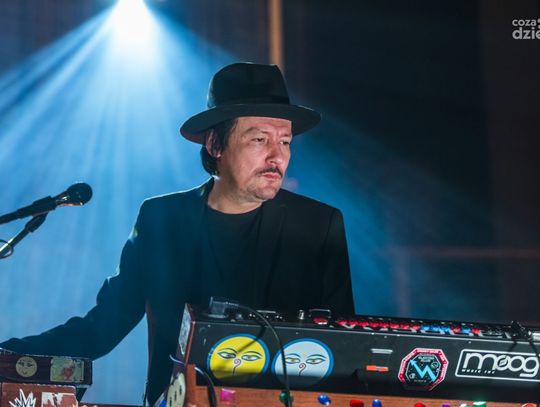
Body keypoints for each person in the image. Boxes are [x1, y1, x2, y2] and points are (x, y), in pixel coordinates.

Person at [0, 62, 354, 404]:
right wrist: (9, 355)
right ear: (215, 145)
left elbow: (344, 345)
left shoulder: (318, 225)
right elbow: (103, 327)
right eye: (260, 139)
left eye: (286, 142)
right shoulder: (160, 219)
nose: (277, 156)